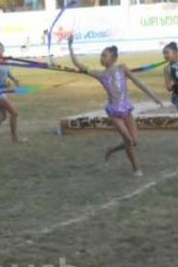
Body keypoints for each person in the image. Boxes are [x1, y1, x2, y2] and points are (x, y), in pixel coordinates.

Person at [69, 37, 163, 177]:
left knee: (134, 142)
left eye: (104, 55)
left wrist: (154, 98)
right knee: (128, 140)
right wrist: (70, 47)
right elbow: (78, 64)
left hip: (126, 109)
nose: (101, 58)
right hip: (114, 111)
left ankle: (111, 149)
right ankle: (136, 169)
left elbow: (138, 83)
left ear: (113, 58)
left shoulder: (122, 68)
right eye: (101, 55)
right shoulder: (100, 74)